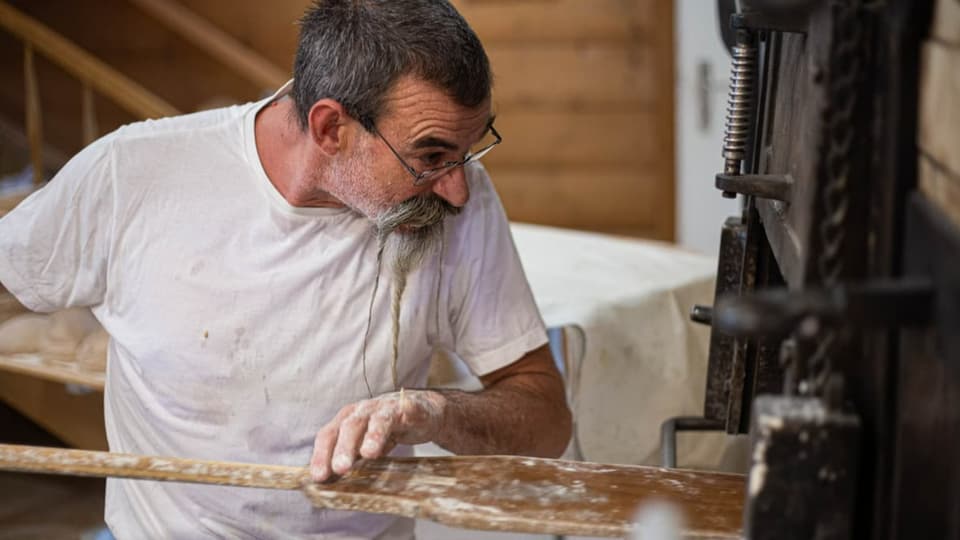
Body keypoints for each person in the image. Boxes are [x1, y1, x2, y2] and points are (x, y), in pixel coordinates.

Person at [0, 0, 572, 538]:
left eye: (469, 151)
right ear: (329, 128)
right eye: (430, 156)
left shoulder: (457, 204)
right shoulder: (134, 173)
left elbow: (545, 418)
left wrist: (436, 413)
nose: (456, 189)